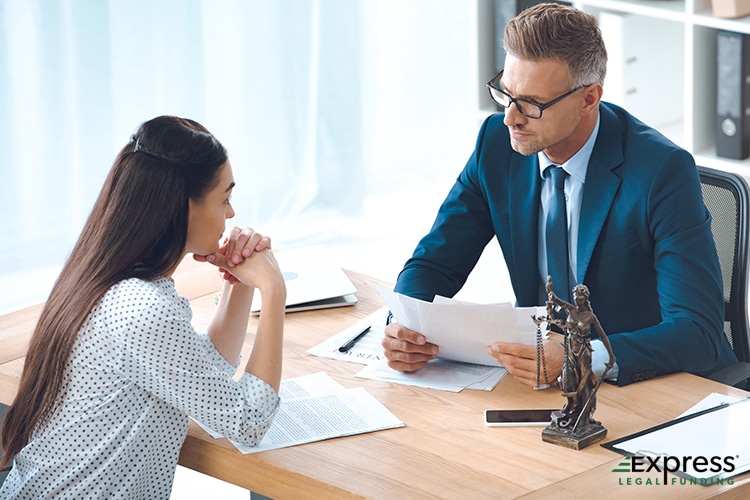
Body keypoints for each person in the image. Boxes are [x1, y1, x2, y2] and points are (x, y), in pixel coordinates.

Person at [382, 3, 737, 387]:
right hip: (544, 383)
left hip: (648, 386)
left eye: (532, 104)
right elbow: (434, 264)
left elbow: (696, 332)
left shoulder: (661, 171)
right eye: (506, 94)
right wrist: (406, 325)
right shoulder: (496, 145)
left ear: (589, 98)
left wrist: (579, 357)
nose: (510, 118)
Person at [0, 116, 287, 498]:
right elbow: (248, 421)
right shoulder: (143, 309)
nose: (231, 214)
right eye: (225, 198)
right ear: (184, 206)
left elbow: (207, 375)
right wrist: (274, 289)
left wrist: (240, 284)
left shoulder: (106, 279)